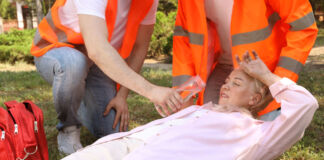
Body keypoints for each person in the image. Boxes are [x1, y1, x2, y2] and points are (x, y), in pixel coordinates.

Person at [62, 51, 318, 160]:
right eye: (227, 81)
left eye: (236, 83)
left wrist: (265, 76)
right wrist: (177, 112)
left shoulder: (258, 133)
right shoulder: (201, 109)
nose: (226, 86)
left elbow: (305, 105)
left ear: (254, 99)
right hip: (127, 145)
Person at [31, 0, 183, 155]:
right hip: (58, 48)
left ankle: (81, 102)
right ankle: (68, 129)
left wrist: (122, 95)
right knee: (74, 64)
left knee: (114, 133)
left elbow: (140, 46)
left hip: (97, 63)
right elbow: (97, 50)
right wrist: (151, 91)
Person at [172, 0, 318, 120]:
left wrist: (276, 82)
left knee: (255, 139)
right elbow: (183, 39)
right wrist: (184, 95)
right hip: (223, 67)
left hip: (261, 74)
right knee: (208, 125)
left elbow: (303, 26)